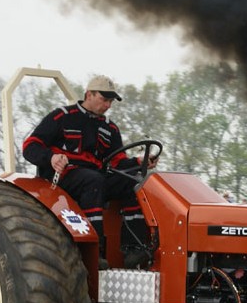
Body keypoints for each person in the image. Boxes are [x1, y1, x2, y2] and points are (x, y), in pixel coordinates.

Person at [23, 75, 155, 269]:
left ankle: (133, 248)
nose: (108, 105)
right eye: (104, 99)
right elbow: (30, 146)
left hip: (95, 179)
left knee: (133, 181)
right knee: (93, 181)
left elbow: (117, 163)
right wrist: (51, 157)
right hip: (62, 177)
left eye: (111, 101)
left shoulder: (110, 128)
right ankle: (94, 251)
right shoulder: (62, 117)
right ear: (89, 94)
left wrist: (139, 162)